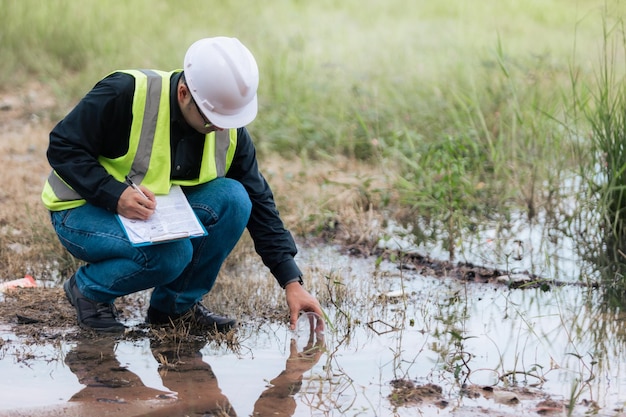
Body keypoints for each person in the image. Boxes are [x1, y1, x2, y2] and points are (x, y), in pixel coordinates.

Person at [41, 36, 324, 334]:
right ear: (184, 92)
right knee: (172, 255)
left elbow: (260, 203)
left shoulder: (228, 129)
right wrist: (115, 194)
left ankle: (174, 308)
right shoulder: (125, 92)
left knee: (235, 198)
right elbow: (62, 146)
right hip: (82, 210)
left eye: (227, 119)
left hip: (151, 214)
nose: (220, 128)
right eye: (211, 119)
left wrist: (292, 282)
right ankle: (88, 289)